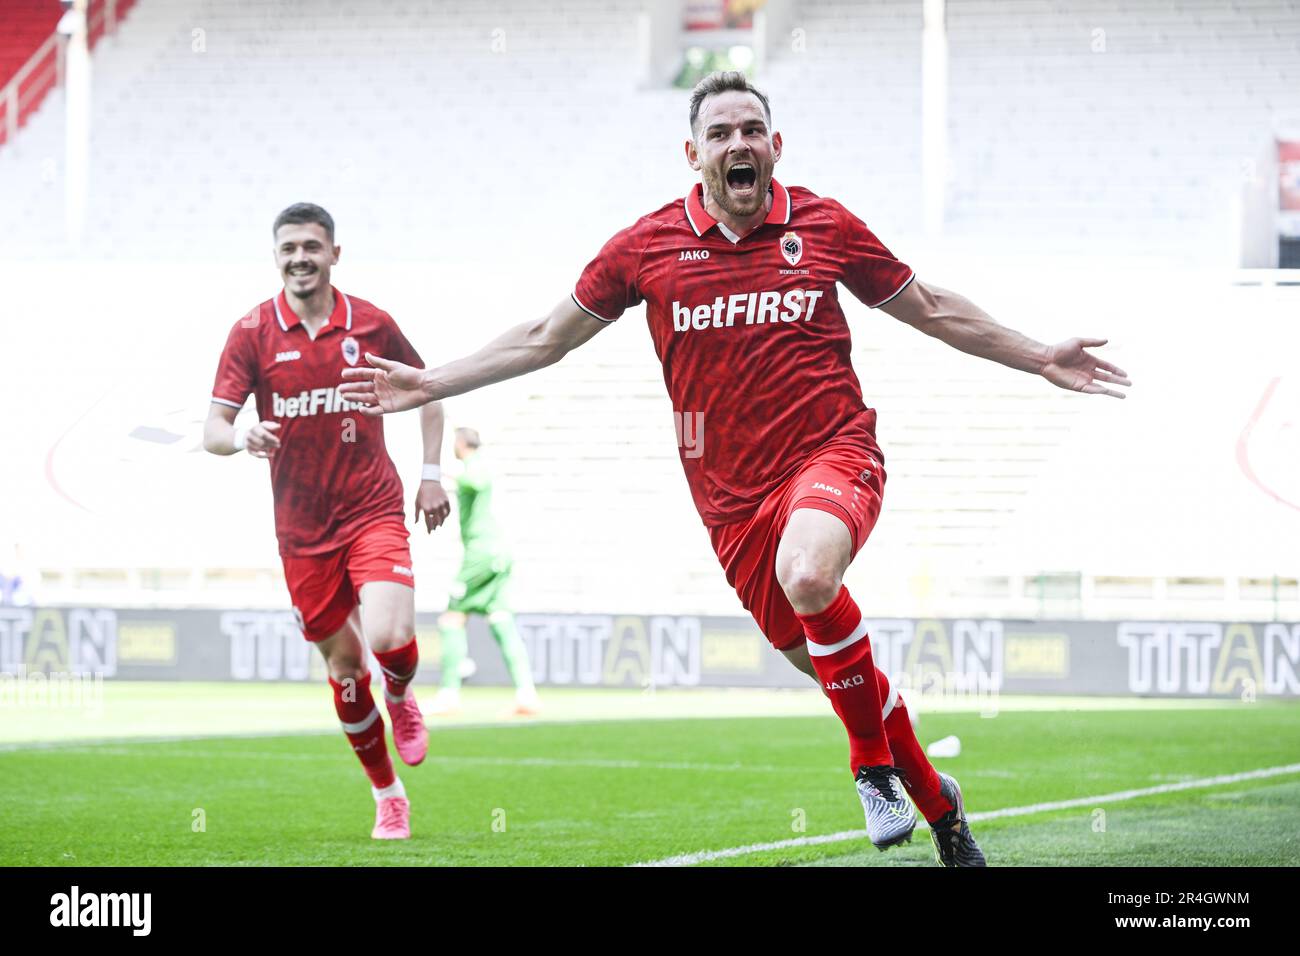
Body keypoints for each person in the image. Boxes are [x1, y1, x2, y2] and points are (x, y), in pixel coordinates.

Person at [339, 73, 1131, 865]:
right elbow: (545, 337)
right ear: (694, 155)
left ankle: (868, 770)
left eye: (752, 130)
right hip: (729, 507)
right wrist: (431, 381)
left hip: (833, 453)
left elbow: (929, 308)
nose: (739, 144)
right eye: (720, 134)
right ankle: (941, 805)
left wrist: (1037, 356)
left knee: (811, 573)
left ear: (775, 146)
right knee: (842, 677)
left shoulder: (823, 225)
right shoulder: (645, 247)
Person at [204, 202, 452, 841]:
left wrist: (430, 475)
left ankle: (400, 694)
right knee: (345, 671)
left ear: (334, 253)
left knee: (391, 634)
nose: (299, 258)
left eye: (311, 246)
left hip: (371, 508)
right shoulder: (252, 331)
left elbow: (429, 390)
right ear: (276, 255)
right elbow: (212, 431)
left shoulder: (369, 323)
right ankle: (387, 793)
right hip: (301, 532)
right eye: (288, 248)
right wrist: (241, 437)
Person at [429, 427, 540, 718]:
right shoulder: (479, 465)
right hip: (498, 554)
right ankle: (526, 694)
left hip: (482, 553)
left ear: (461, 443)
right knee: (501, 620)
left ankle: (449, 694)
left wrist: (443, 476)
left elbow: (477, 480)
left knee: (452, 618)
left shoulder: (475, 466)